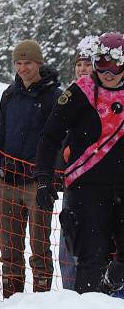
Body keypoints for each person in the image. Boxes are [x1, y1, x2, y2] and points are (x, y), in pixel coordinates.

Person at [34, 32, 124, 294]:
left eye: (115, 65)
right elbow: (50, 136)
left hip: (121, 187)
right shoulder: (80, 92)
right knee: (91, 257)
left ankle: (111, 288)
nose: (108, 73)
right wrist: (43, 178)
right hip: (86, 187)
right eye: (102, 65)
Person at [0, 39, 63, 297]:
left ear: (39, 63)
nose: (23, 68)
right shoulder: (9, 94)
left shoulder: (54, 96)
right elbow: (0, 130)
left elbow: (57, 139)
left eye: (28, 63)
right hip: (7, 178)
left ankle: (41, 299)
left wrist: (49, 176)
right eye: (19, 63)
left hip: (37, 181)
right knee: (8, 246)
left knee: (39, 244)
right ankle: (11, 297)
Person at [58, 44, 96, 291]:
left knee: (95, 245)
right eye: (79, 65)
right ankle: (69, 295)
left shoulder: (106, 96)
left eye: (87, 64)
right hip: (72, 180)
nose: (83, 69)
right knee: (67, 244)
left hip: (100, 181)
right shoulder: (69, 96)